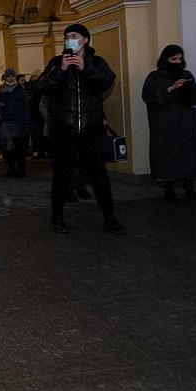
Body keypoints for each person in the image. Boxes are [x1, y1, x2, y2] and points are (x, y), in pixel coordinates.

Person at [37, 23, 125, 235]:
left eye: (74, 36)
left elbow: (106, 81)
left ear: (85, 40)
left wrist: (87, 69)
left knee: (99, 175)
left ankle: (109, 216)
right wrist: (61, 70)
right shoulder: (57, 62)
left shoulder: (97, 61)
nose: (70, 39)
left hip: (90, 128)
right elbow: (42, 86)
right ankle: (57, 216)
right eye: (67, 36)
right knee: (62, 175)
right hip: (64, 129)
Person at [141, 45, 196, 202]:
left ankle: (188, 184)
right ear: (165, 59)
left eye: (179, 59)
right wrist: (170, 89)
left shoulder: (186, 74)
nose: (177, 62)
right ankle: (168, 187)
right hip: (165, 124)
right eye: (173, 59)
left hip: (185, 122)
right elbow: (149, 96)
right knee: (166, 155)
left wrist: (189, 90)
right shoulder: (155, 77)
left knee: (188, 154)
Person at [0, 67, 31, 178]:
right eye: (9, 76)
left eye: (12, 76)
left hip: (19, 122)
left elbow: (25, 107)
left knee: (20, 149)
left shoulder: (20, 91)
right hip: (6, 123)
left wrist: (26, 123)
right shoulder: (2, 91)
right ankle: (11, 169)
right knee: (8, 149)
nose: (11, 78)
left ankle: (21, 170)